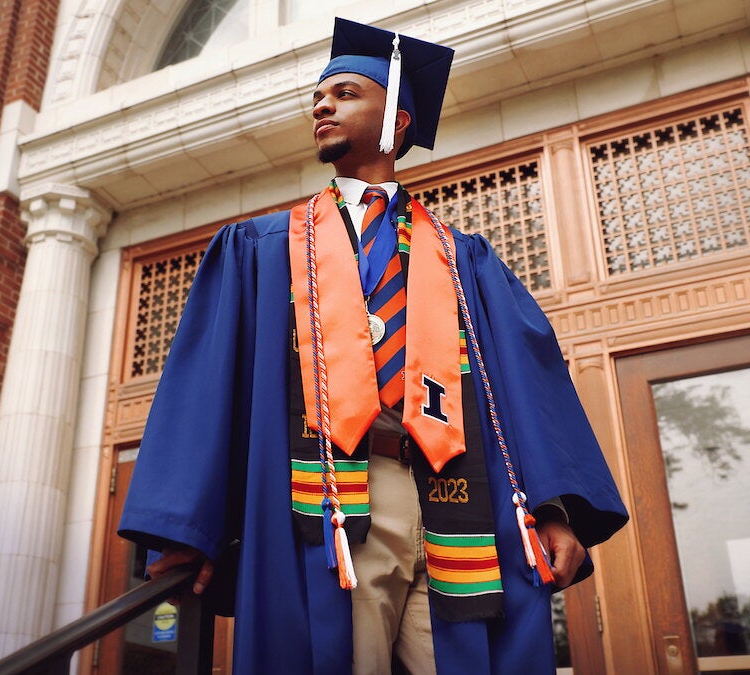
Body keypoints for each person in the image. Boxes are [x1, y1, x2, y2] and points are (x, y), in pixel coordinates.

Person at [118, 18, 628, 675]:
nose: (323, 105)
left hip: (456, 494)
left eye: (346, 92)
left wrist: (556, 509)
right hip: (333, 496)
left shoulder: (460, 257)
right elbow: (209, 389)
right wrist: (192, 527)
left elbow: (522, 386)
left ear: (398, 121)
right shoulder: (265, 249)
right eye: (317, 99)